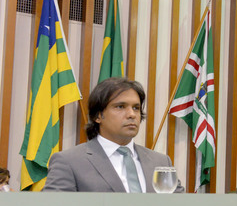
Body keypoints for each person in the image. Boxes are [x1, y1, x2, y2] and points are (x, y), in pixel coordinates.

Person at [43, 77, 183, 193]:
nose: (132, 114)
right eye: (120, 107)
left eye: (136, 108)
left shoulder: (161, 162)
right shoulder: (69, 162)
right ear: (98, 116)